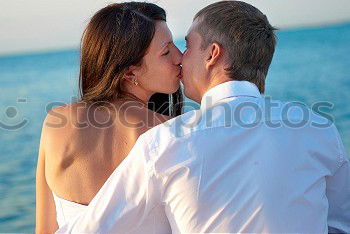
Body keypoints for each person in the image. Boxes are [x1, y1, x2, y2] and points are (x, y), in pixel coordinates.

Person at [57, 1, 350, 233]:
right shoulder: (319, 128)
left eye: (187, 45)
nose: (180, 58)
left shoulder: (164, 144)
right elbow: (340, 224)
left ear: (212, 54)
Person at [35, 2, 183, 233]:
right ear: (130, 72)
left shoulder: (55, 124)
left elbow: (44, 229)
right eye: (166, 51)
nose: (179, 57)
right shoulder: (168, 132)